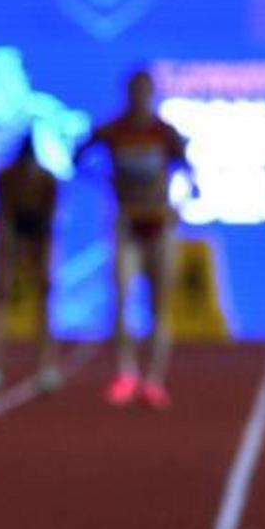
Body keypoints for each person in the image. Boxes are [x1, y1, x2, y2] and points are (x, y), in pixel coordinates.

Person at [77, 69, 190, 410]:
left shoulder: (165, 133)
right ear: (126, 92)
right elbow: (78, 158)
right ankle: (126, 373)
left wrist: (178, 206)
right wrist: (102, 179)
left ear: (152, 93)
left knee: (160, 304)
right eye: (134, 89)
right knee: (122, 298)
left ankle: (154, 379)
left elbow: (190, 172)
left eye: (145, 90)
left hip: (159, 224)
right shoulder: (113, 130)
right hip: (126, 223)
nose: (139, 95)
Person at [0, 135, 61, 393]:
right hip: (12, 228)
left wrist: (40, 263)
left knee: (44, 293)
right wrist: (6, 258)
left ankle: (46, 364)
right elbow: (3, 219)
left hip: (39, 231)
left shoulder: (47, 180)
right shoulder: (6, 177)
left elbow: (48, 223)